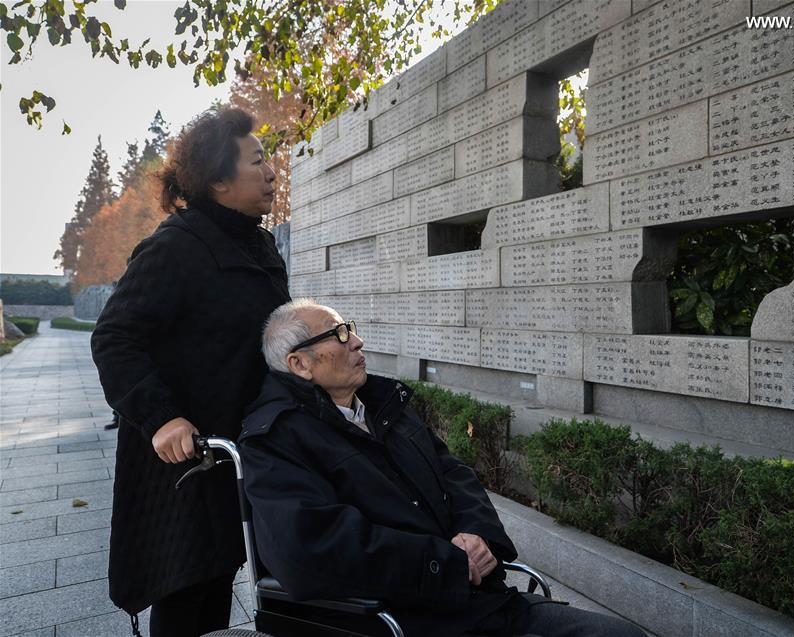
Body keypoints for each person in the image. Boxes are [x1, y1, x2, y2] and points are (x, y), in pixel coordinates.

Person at [239, 299, 647, 637]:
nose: (358, 342)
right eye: (340, 334)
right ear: (300, 364)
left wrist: (479, 537)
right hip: (403, 618)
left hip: (483, 602)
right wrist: (444, 563)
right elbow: (308, 550)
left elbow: (455, 474)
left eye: (351, 328)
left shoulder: (384, 407)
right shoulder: (275, 439)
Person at [91, 108, 290, 637]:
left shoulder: (258, 243)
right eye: (258, 161)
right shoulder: (174, 247)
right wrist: (161, 418)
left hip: (239, 449)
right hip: (184, 455)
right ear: (219, 180)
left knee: (221, 573)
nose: (272, 172)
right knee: (185, 587)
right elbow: (115, 337)